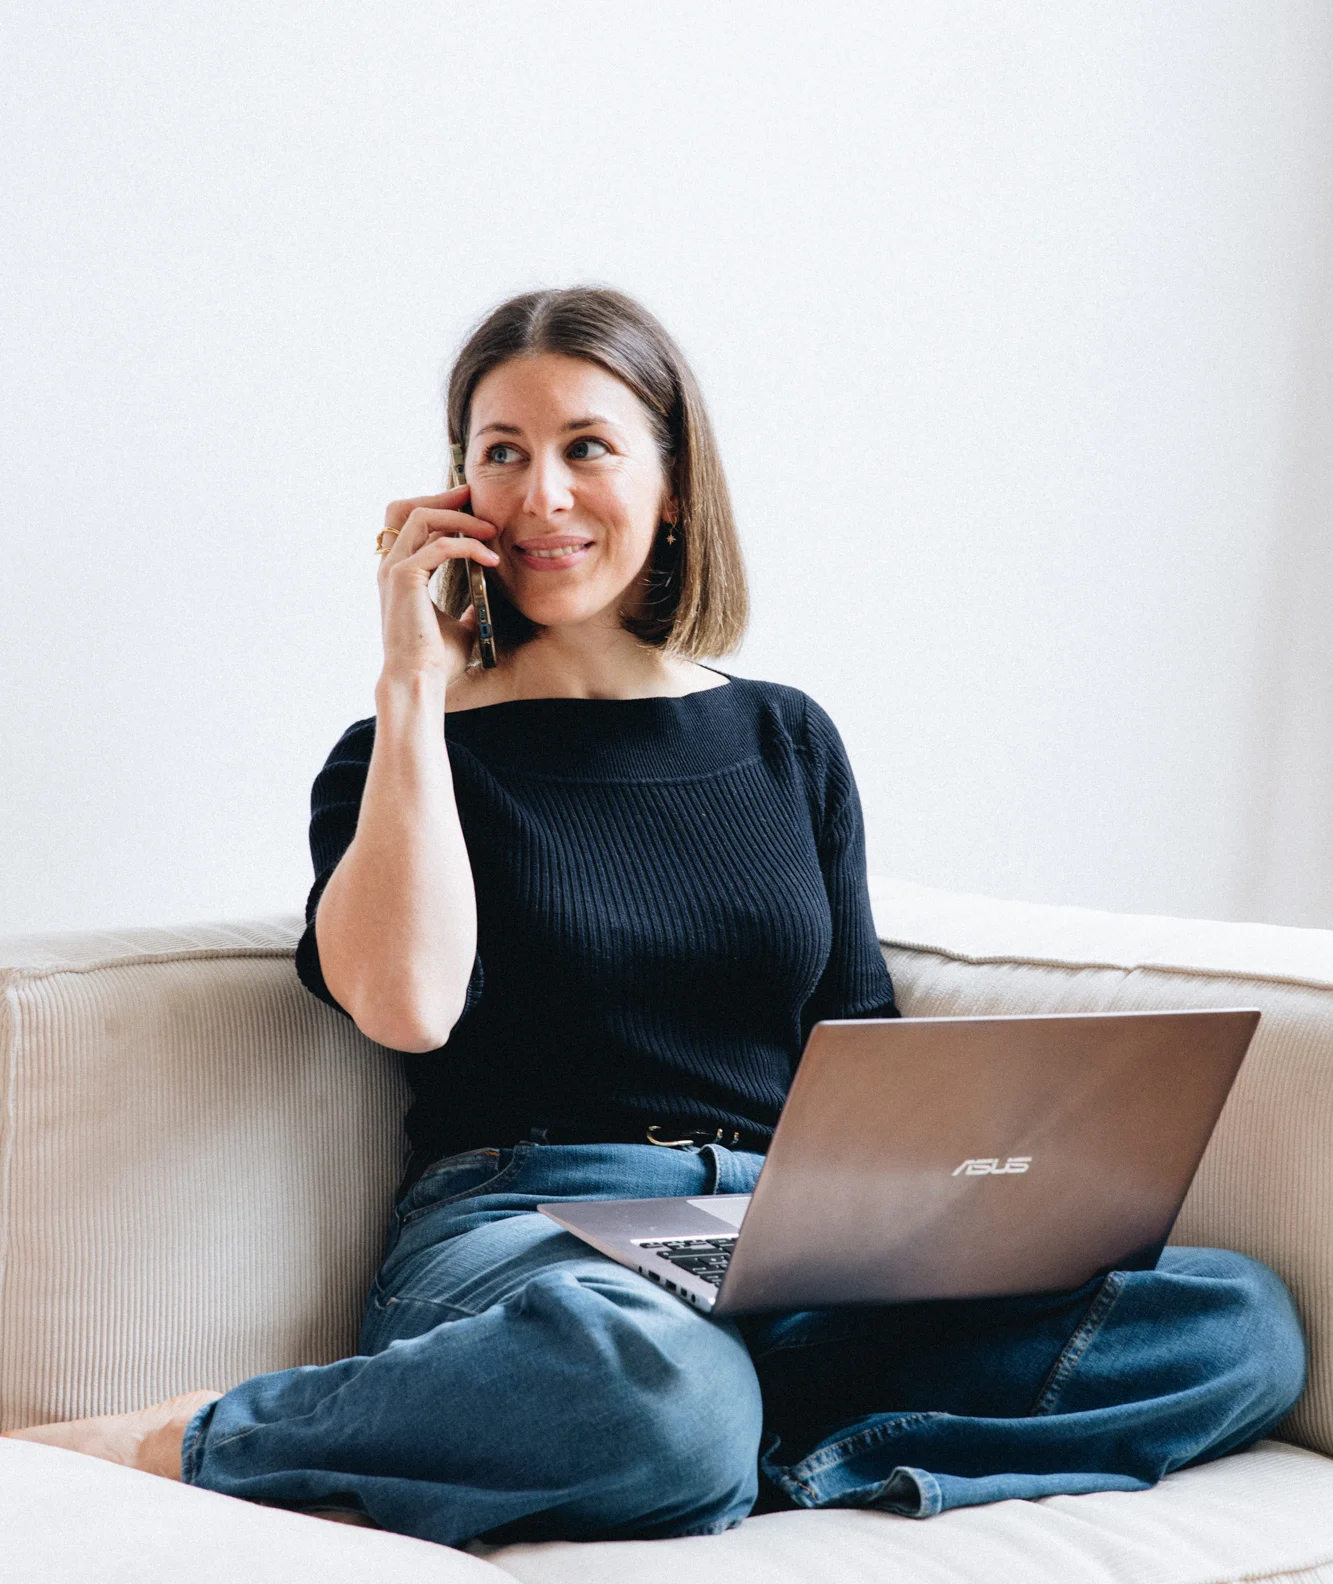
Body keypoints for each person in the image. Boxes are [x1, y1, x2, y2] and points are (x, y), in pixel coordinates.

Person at [5, 287, 1306, 1547]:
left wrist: (946, 1221)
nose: (542, 494)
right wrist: (412, 678)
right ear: (454, 487)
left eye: (587, 448)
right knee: (652, 1384)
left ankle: (739, 1454)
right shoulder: (396, 756)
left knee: (1233, 1324)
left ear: (671, 482)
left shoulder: (782, 737)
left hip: (786, 1247)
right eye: (499, 452)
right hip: (535, 1240)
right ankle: (198, 1441)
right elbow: (405, 1001)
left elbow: (862, 1052)